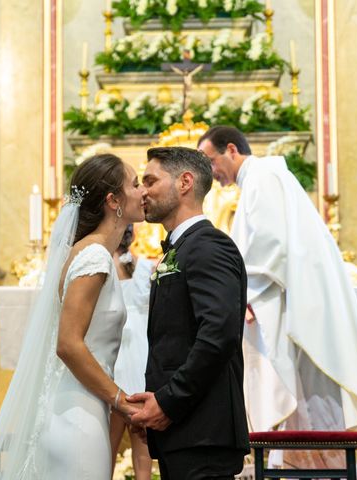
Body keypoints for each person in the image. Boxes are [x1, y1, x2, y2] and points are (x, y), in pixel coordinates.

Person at [197, 125, 357, 480]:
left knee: (325, 406)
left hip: (298, 312)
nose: (211, 172)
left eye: (210, 161)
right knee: (316, 410)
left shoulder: (263, 178)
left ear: (231, 149)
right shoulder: (259, 181)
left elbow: (270, 246)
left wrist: (237, 291)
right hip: (291, 304)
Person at [0, 153, 147, 479]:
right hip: (77, 416)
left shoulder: (88, 252)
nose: (143, 192)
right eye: (135, 184)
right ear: (114, 201)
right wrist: (120, 399)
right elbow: (68, 343)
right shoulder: (94, 255)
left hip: (80, 406)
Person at [128, 146, 249, 480]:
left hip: (203, 430)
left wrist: (168, 402)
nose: (143, 191)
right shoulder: (181, 247)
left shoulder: (209, 246)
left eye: (151, 181)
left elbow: (218, 334)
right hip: (185, 430)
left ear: (184, 183)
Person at [110, 225, 153, 480]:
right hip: (141, 354)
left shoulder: (101, 266)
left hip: (114, 355)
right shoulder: (145, 267)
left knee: (107, 445)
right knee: (142, 447)